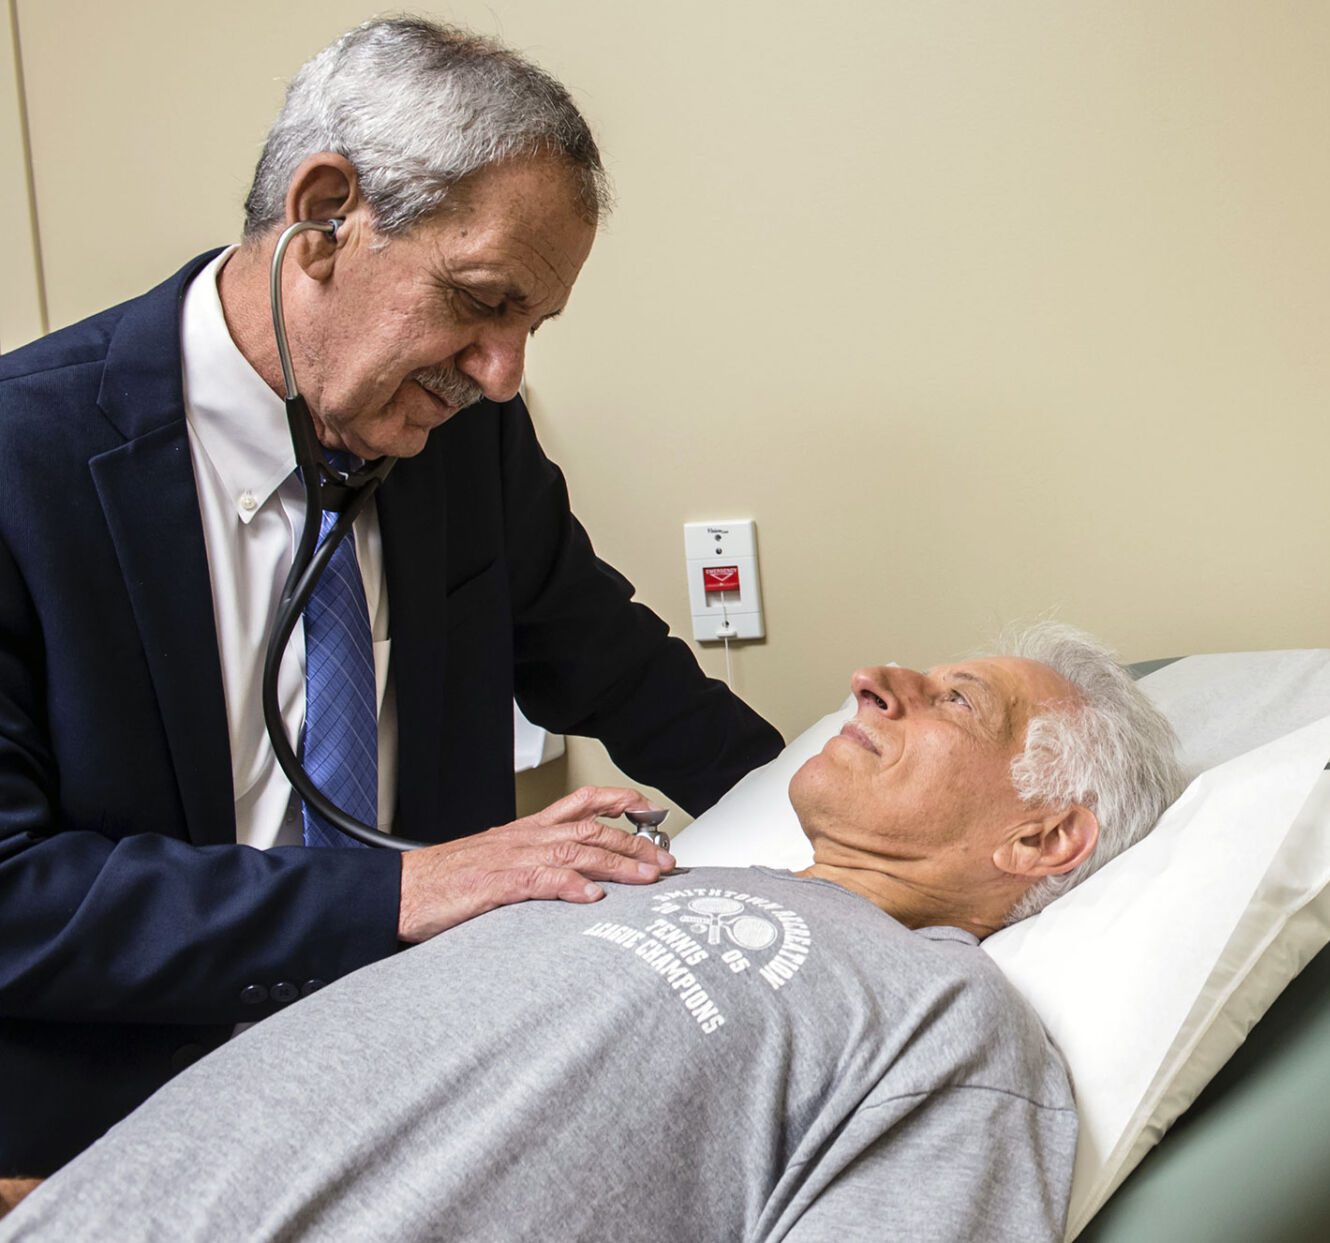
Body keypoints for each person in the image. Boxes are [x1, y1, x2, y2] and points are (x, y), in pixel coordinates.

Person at [0, 17, 785, 1174]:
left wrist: (832, 828)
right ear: (324, 216)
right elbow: (14, 894)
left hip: (432, 1098)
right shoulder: (25, 461)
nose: (503, 373)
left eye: (529, 325)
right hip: (114, 1148)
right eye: (480, 300)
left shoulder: (469, 443)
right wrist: (405, 889)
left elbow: (622, 667)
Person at [0, 624, 1183, 1242]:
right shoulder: (611, 871)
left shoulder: (947, 1022)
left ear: (1041, 841)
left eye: (954, 699)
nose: (876, 680)